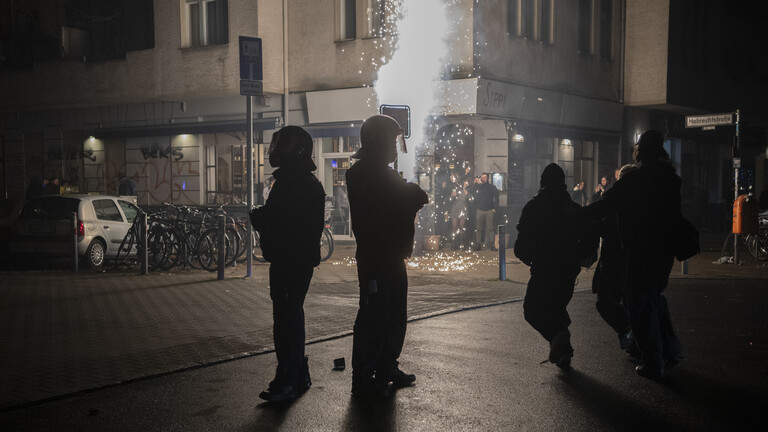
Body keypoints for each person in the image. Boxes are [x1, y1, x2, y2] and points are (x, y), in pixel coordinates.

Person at [582, 130, 682, 380]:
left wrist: (576, 215)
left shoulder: (636, 180)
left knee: (639, 305)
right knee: (653, 298)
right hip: (664, 250)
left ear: (641, 151)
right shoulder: (670, 178)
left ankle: (653, 360)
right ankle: (670, 350)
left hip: (639, 248)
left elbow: (605, 205)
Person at [346, 114, 428, 397]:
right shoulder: (365, 174)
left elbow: (412, 196)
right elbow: (413, 196)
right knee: (373, 317)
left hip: (393, 257)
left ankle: (386, 367)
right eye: (392, 140)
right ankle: (364, 374)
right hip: (376, 259)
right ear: (378, 141)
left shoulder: (380, 173)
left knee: (394, 315)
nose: (395, 147)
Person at [249, 126, 326, 402]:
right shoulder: (304, 182)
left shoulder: (294, 183)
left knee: (286, 319)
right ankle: (296, 374)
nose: (277, 151)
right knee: (290, 316)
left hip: (290, 260)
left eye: (283, 145)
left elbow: (284, 223)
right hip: (295, 260)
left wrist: (260, 219)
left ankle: (288, 378)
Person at [514, 163, 582, 369]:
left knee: (532, 309)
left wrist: (529, 258)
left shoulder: (534, 206)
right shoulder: (571, 208)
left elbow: (522, 242)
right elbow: (587, 233)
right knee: (557, 308)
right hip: (568, 267)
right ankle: (564, 352)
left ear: (542, 181)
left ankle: (557, 336)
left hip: (544, 266)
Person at [591, 164, 639, 353]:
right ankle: (636, 343)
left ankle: (629, 332)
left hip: (615, 257)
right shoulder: (644, 199)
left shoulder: (618, 196)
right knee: (630, 300)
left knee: (605, 300)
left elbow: (603, 221)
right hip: (635, 258)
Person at [470, 172, 499, 250]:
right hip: (480, 210)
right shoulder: (478, 187)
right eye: (482, 177)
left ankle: (492, 244)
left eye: (484, 177)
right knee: (478, 228)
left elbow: (497, 197)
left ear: (488, 178)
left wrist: (495, 208)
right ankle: (478, 244)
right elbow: (472, 192)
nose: (483, 179)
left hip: (489, 210)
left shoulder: (492, 187)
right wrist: (476, 183)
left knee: (490, 228)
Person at [448, 185, 468, 250]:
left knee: (461, 227)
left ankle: (461, 243)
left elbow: (471, 200)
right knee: (454, 227)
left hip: (463, 209)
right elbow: (449, 200)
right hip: (455, 210)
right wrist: (453, 196)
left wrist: (467, 194)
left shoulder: (466, 190)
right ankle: (454, 244)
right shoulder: (454, 190)